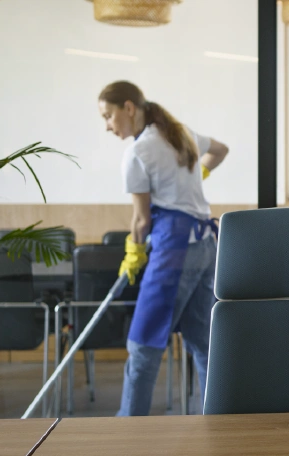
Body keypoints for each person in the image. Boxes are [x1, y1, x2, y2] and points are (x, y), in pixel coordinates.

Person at [98, 80, 229, 416]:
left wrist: (133, 252)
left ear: (129, 108)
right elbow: (221, 149)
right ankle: (214, 419)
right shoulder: (180, 132)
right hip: (207, 246)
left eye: (109, 116)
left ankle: (130, 425)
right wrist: (198, 174)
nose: (108, 126)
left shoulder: (138, 153)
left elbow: (141, 221)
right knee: (202, 341)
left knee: (143, 343)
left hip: (174, 250)